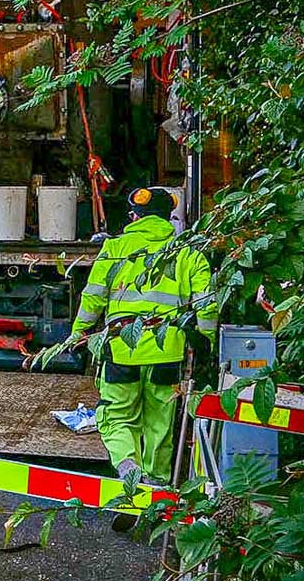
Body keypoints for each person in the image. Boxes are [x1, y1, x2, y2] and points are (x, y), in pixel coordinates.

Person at [71, 187, 217, 487]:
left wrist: (78, 335)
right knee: (160, 424)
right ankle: (156, 487)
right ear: (169, 218)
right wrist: (205, 344)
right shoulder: (187, 252)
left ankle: (128, 469)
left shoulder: (116, 248)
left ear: (134, 216)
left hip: (122, 350)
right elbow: (207, 304)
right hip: (168, 354)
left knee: (116, 416)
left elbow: (93, 298)